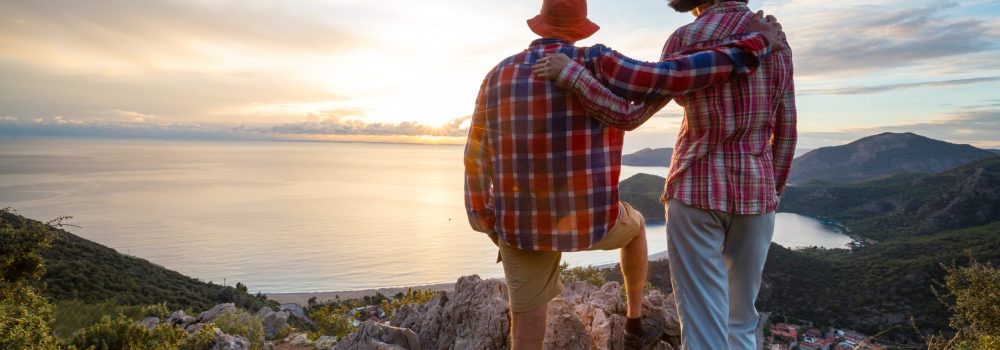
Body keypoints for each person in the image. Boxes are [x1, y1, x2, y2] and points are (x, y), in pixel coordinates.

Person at [463, 0, 785, 348]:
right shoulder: (598, 62)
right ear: (580, 29)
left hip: (523, 225)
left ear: (539, 26)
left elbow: (475, 156)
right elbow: (669, 80)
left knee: (527, 317)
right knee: (636, 230)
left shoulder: (499, 74)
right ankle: (633, 323)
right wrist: (756, 43)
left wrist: (486, 220)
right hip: (594, 221)